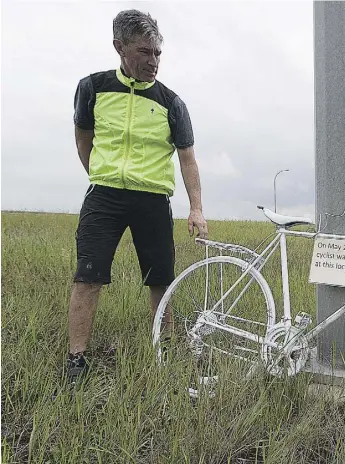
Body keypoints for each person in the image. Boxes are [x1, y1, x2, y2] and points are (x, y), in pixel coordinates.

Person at [66, 9, 208, 382]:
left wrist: (196, 208)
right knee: (88, 276)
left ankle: (165, 347)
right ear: (120, 47)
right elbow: (84, 140)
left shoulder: (172, 102)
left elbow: (188, 159)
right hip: (104, 197)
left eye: (158, 53)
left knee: (160, 278)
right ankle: (76, 360)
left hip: (152, 200)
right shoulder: (93, 88)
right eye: (144, 52)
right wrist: (101, 175)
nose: (153, 61)